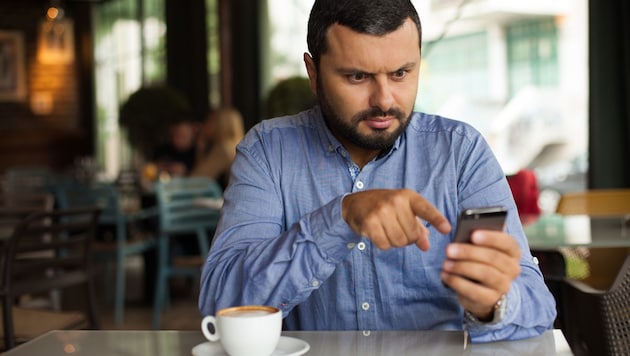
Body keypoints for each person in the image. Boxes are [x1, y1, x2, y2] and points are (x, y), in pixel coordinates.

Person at [199, 0, 556, 343]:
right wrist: (340, 218)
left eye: (401, 73)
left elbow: (539, 308)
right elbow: (220, 303)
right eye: (357, 76)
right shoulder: (268, 151)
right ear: (313, 73)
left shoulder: (461, 152)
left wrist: (492, 305)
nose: (384, 100)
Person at [191, 107, 245, 190]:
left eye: (208, 121)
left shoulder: (224, 148)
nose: (204, 125)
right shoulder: (242, 144)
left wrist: (200, 148)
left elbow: (196, 181)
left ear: (219, 125)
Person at [151, 113, 200, 178]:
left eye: (182, 136)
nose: (177, 140)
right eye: (173, 135)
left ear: (193, 131)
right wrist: (167, 168)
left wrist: (186, 172)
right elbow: (152, 169)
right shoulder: (162, 150)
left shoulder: (198, 152)